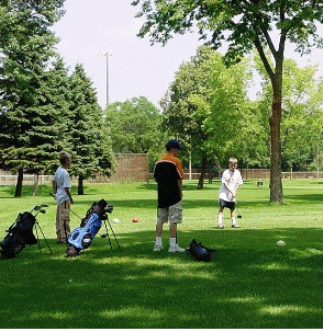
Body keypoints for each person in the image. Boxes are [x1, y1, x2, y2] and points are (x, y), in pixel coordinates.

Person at [153, 140, 186, 252]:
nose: (178, 152)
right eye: (177, 150)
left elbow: (156, 179)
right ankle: (172, 246)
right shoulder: (176, 161)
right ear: (173, 149)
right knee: (173, 220)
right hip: (174, 195)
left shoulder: (158, 162)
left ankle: (158, 245)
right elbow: (179, 178)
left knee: (160, 220)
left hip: (161, 195)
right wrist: (180, 192)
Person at [52, 151, 73, 243]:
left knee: (59, 218)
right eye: (70, 160)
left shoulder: (58, 170)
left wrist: (55, 193)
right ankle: (65, 237)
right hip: (64, 198)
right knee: (64, 218)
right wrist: (71, 198)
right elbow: (66, 188)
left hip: (59, 198)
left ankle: (60, 236)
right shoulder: (65, 173)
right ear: (66, 161)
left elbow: (53, 182)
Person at [217, 157, 243, 229]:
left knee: (232, 209)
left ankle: (234, 223)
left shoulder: (237, 173)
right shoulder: (226, 173)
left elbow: (238, 183)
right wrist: (231, 191)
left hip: (231, 195)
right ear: (229, 164)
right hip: (224, 194)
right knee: (221, 208)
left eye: (235, 165)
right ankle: (220, 223)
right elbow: (225, 184)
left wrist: (234, 191)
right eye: (232, 165)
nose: (234, 166)